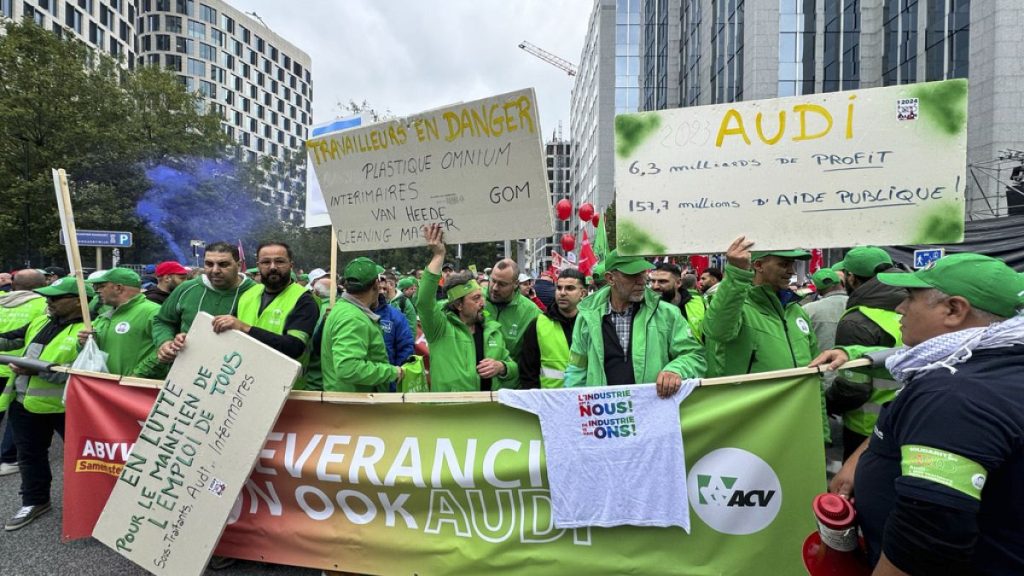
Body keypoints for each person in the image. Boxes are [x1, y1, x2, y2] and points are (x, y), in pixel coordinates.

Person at [812, 253, 1024, 575]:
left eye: (911, 297)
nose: (899, 308)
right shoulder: (990, 361)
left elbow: (927, 538)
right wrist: (865, 455)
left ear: (954, 310)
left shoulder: (953, 395)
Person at [701, 237, 826, 440]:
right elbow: (718, 331)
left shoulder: (797, 311)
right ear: (758, 265)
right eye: (784, 264)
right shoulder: (736, 305)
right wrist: (737, 273)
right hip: (750, 426)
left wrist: (821, 430)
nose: (792, 271)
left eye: (793, 264)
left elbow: (814, 374)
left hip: (796, 423)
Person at [0, 277, 89, 530]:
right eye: (48, 297)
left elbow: (85, 371)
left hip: (68, 408)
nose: (48, 301)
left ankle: (92, 506)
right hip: (25, 402)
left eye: (55, 298)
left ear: (78, 301)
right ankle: (35, 501)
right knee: (29, 456)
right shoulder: (42, 320)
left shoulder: (89, 330)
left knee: (84, 458)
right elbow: (11, 340)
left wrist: (37, 371)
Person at [563, 249, 705, 395]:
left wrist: (675, 370)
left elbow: (694, 355)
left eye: (643, 273)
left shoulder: (667, 314)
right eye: (632, 275)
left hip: (652, 406)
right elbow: (576, 369)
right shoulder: (587, 317)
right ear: (610, 278)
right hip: (603, 408)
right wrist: (571, 402)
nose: (642, 281)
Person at [827, 246, 907, 460]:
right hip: (909, 420)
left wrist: (826, 403)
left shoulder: (857, 321)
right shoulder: (913, 306)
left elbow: (853, 388)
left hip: (866, 430)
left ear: (851, 278)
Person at [417, 224, 518, 391]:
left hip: (488, 406)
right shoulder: (440, 329)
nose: (483, 303)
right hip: (451, 406)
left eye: (481, 296)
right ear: (458, 305)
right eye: (476, 298)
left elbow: (513, 368)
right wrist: (438, 255)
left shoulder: (492, 330)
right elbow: (424, 302)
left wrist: (502, 367)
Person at [210, 242, 318, 389]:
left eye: (279, 261)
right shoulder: (248, 295)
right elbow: (229, 335)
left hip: (284, 389)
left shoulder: (304, 300)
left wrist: (246, 328)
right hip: (244, 385)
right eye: (266, 262)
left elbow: (294, 347)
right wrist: (190, 341)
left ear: (291, 265)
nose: (273, 267)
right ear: (258, 265)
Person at [152, 242, 257, 367]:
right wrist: (165, 342)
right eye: (209, 264)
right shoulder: (187, 288)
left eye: (223, 264)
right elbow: (162, 321)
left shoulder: (256, 292)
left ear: (238, 265)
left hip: (235, 371)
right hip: (186, 369)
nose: (215, 270)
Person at [321, 257, 403, 393]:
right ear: (376, 284)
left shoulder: (343, 308)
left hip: (348, 397)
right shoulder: (352, 318)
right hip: (353, 401)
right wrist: (392, 372)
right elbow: (348, 368)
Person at [0, 270, 48, 477]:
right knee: (17, 416)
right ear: (43, 285)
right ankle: (9, 459)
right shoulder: (44, 304)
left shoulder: (1, 301)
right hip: (20, 368)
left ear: (13, 284)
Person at [79, 268, 164, 378]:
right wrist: (84, 343)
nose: (97, 291)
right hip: (105, 386)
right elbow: (90, 353)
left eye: (101, 286)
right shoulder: (103, 318)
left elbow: (167, 349)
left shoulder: (153, 312)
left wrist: (138, 375)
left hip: (136, 387)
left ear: (118, 288)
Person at [519, 268, 587, 389]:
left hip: (585, 398)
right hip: (548, 398)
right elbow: (528, 372)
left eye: (570, 288)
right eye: (559, 288)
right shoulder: (538, 324)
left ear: (582, 293)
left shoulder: (591, 325)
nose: (562, 293)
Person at [484, 258, 541, 371]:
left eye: (502, 284)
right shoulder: (475, 299)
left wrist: (505, 368)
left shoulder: (531, 312)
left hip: (511, 379)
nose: (495, 288)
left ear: (516, 284)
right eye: (493, 280)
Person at [649, 262, 706, 342]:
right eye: (652, 281)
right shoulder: (644, 307)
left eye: (662, 281)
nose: (655, 286)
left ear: (678, 283)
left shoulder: (699, 303)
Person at [802, 267, 849, 353]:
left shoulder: (807, 310)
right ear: (841, 283)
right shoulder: (859, 304)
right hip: (856, 359)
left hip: (821, 360)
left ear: (818, 290)